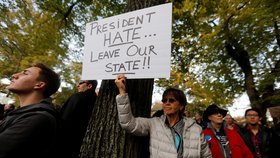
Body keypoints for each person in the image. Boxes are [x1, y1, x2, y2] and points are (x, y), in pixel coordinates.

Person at [115, 74, 211, 158]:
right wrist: (122, 91)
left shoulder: (196, 129)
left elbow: (206, 155)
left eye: (171, 100)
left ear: (181, 106)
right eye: (164, 100)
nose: (167, 103)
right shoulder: (154, 123)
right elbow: (128, 124)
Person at [0, 63, 61, 158]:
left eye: (25, 73)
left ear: (39, 85)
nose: (14, 75)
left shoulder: (38, 118)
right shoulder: (21, 114)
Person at [58, 79, 98, 158]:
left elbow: (64, 117)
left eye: (80, 83)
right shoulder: (98, 100)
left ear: (89, 86)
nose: (77, 85)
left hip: (67, 140)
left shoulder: (77, 96)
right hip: (85, 142)